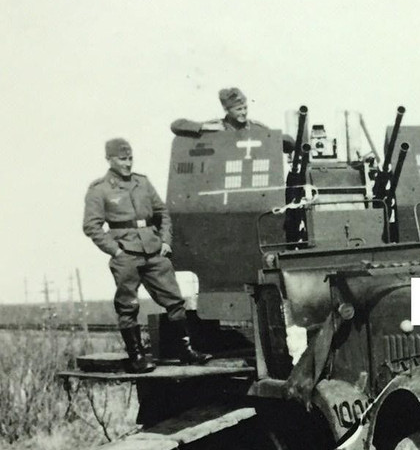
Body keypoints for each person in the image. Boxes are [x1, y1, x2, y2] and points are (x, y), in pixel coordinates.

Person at [83, 138, 210, 372]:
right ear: (109, 159)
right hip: (126, 254)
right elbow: (91, 226)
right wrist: (116, 250)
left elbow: (163, 213)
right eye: (122, 159)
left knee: (175, 301)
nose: (128, 164)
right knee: (128, 306)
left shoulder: (142, 182)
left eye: (130, 158)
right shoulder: (99, 190)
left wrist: (165, 242)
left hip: (153, 252)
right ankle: (137, 357)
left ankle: (186, 351)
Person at [170, 87, 295, 152]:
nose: (244, 113)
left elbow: (289, 144)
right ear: (226, 110)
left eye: (245, 108)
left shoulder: (256, 127)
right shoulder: (215, 126)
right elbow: (176, 125)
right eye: (239, 110)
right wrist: (205, 128)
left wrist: (277, 137)